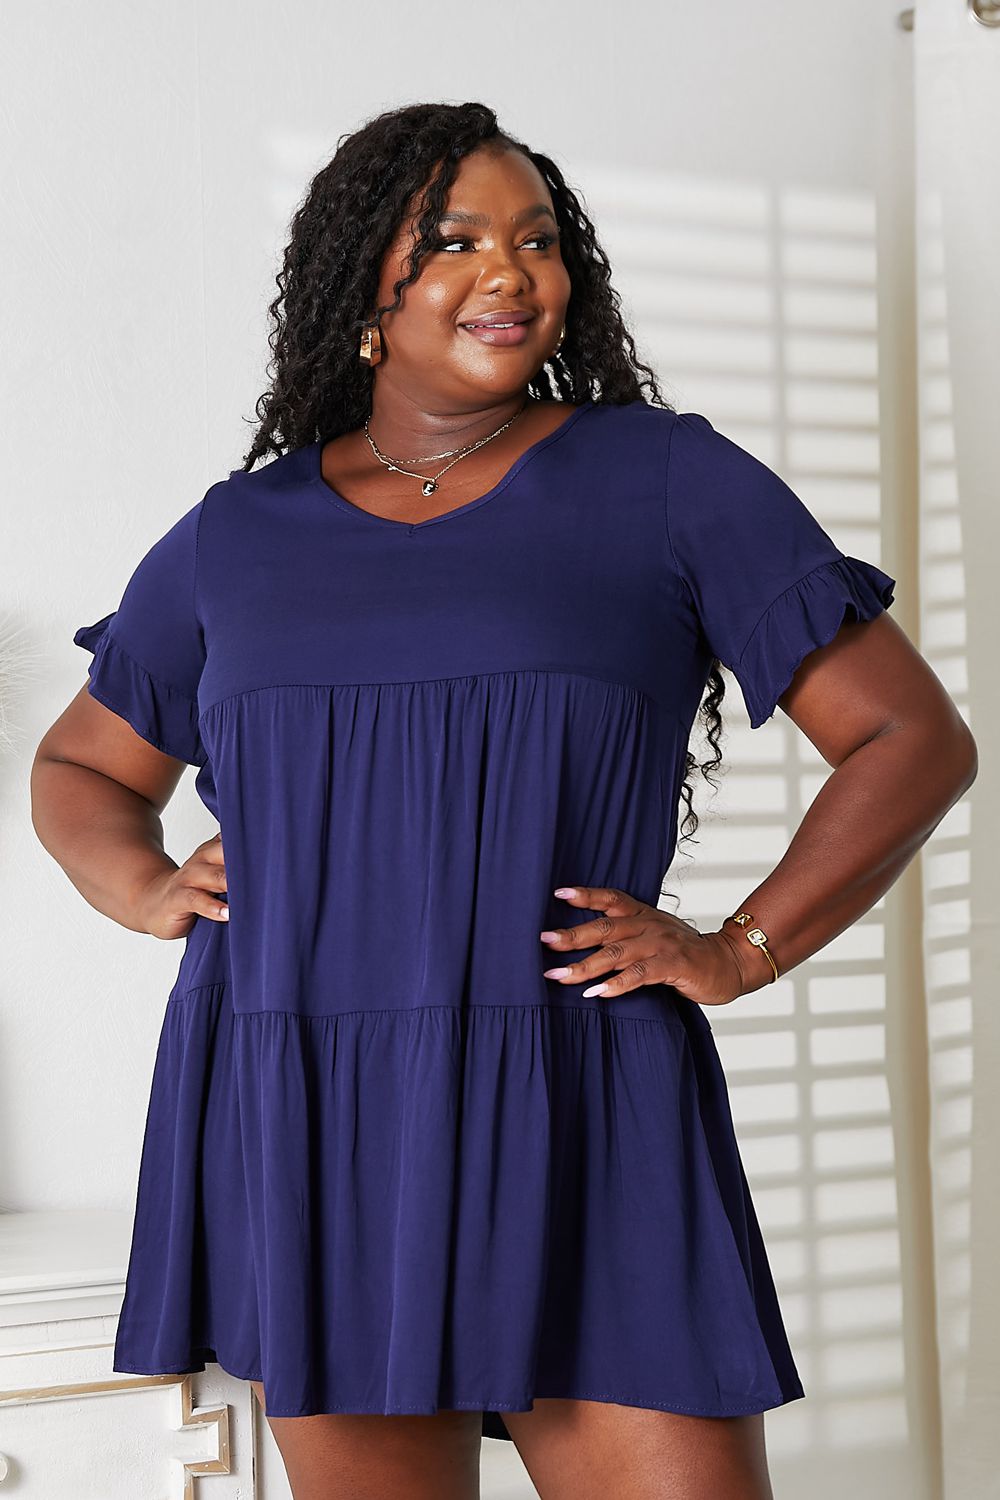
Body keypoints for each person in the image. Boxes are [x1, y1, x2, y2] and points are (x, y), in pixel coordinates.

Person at [31, 101, 977, 1500]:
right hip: (314, 1112)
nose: (512, 274)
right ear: (367, 283)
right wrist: (145, 883)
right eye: (458, 240)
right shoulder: (240, 534)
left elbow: (911, 736)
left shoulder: (664, 481)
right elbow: (82, 767)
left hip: (585, 1098)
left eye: (538, 240)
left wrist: (737, 949)